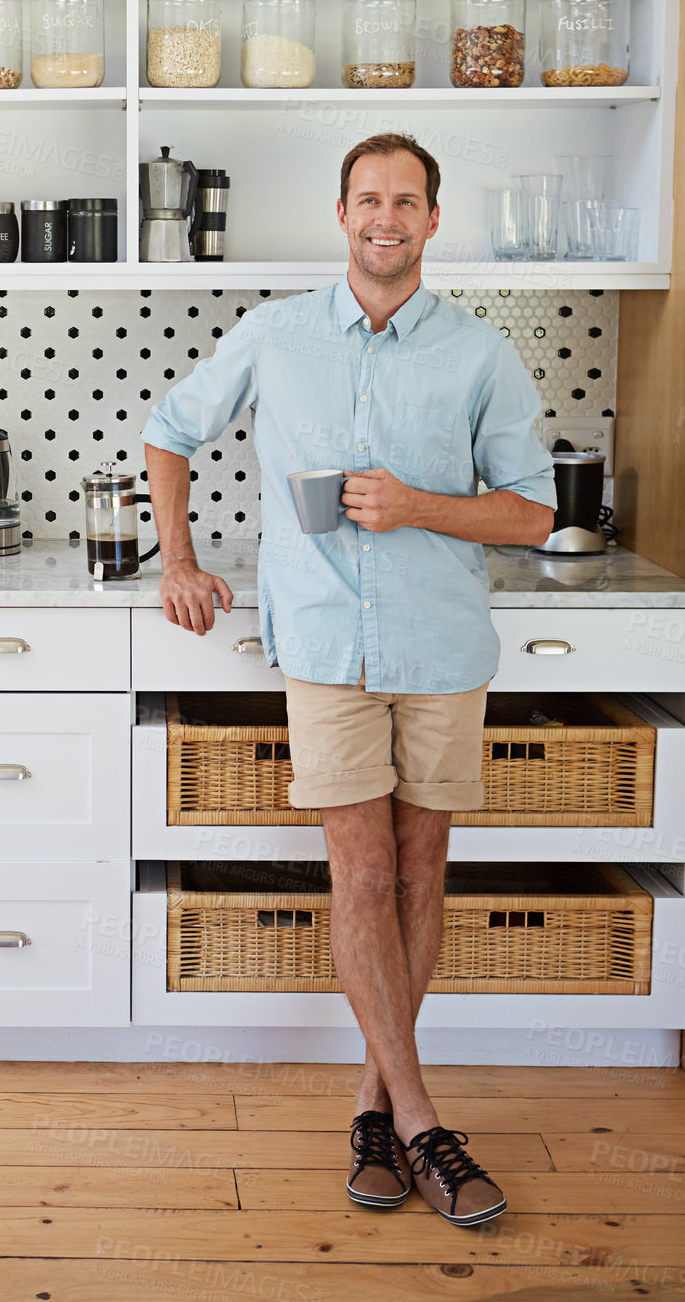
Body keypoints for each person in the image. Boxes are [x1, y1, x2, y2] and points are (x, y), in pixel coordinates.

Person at [142, 133, 555, 1228]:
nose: (386, 217)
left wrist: (416, 503)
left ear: (431, 221)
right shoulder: (274, 334)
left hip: (438, 643)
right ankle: (422, 1118)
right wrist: (177, 561)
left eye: (405, 201)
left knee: (420, 875)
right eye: (368, 199)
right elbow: (168, 432)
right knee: (361, 873)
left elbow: (530, 512)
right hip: (323, 643)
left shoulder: (477, 354)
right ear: (340, 214)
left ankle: (373, 1106)